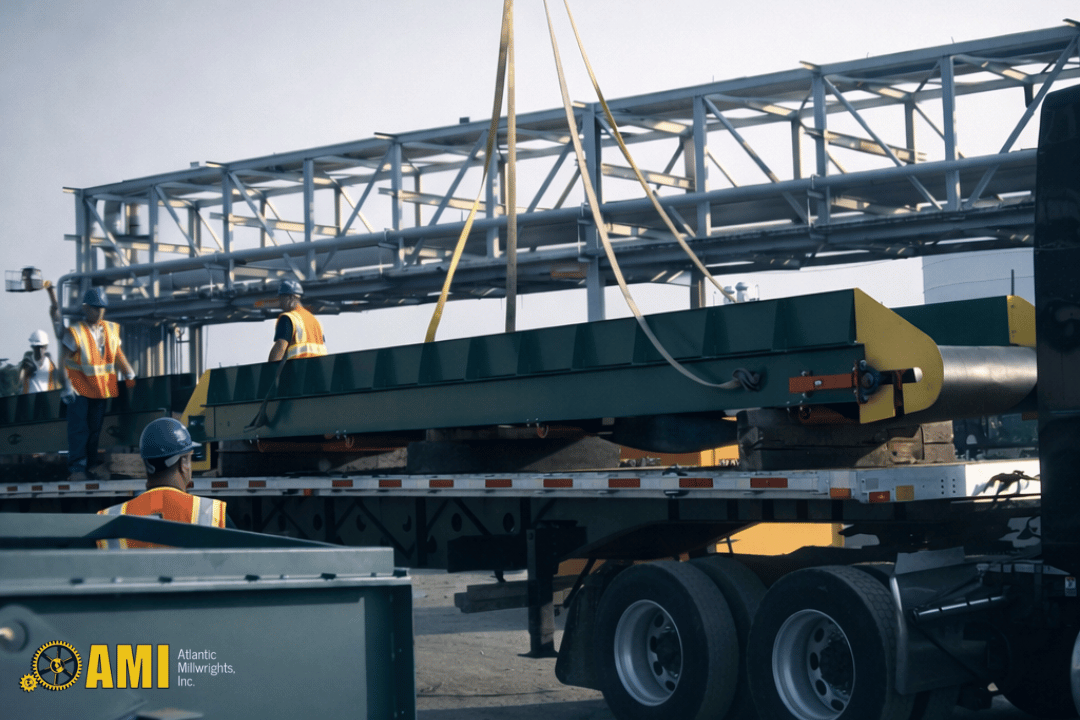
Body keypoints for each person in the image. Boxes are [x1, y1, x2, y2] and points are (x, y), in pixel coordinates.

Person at [96, 417, 231, 549]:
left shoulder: (109, 520)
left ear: (146, 463)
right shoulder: (212, 514)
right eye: (190, 458)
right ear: (184, 462)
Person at [61, 288, 137, 482]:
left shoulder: (110, 329)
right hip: (79, 389)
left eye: (102, 308)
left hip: (100, 390)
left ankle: (91, 466)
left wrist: (128, 372)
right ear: (86, 308)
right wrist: (66, 385)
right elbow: (63, 360)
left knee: (94, 431)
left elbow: (117, 354)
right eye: (95, 308)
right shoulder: (75, 332)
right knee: (79, 429)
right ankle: (77, 468)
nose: (99, 312)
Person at [267, 279, 327, 361]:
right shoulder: (314, 320)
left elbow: (280, 346)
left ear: (290, 297)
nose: (280, 303)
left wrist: (270, 367)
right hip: (319, 366)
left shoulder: (289, 318)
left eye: (281, 298)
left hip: (299, 366)